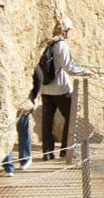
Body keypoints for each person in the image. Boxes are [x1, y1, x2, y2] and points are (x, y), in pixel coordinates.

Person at [32, 20, 78, 160]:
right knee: (71, 118)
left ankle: (47, 152)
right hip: (61, 89)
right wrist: (85, 72)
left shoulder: (47, 44)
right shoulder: (62, 45)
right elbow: (69, 68)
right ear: (64, 31)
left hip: (45, 88)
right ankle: (65, 150)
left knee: (47, 121)